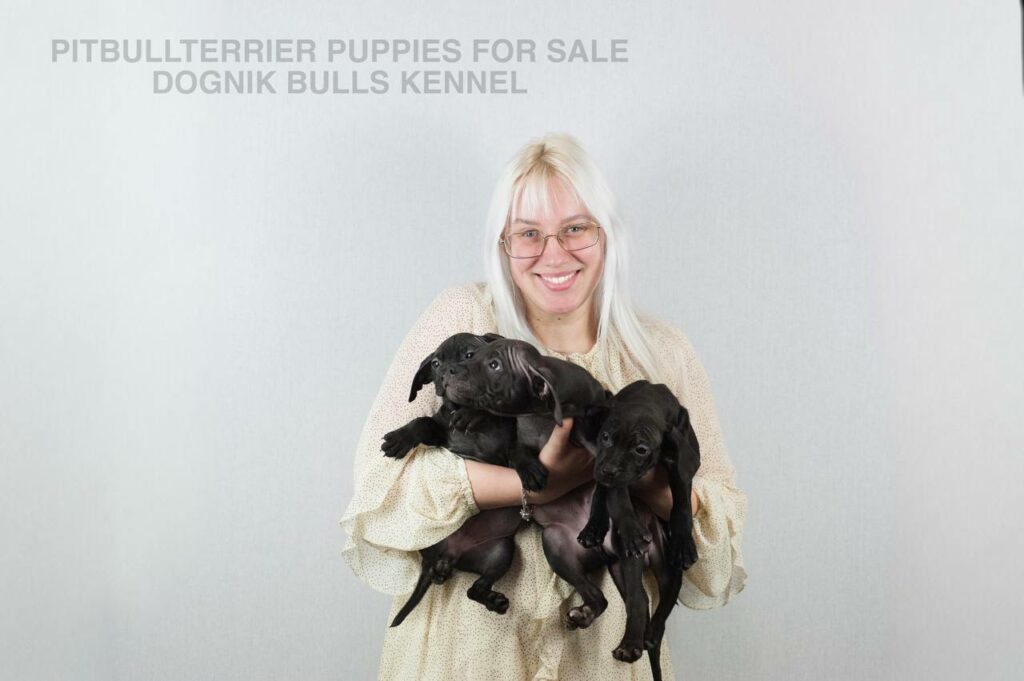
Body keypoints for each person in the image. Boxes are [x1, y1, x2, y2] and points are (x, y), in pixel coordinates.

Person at [340, 133, 747, 681]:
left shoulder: (660, 352)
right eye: (529, 234)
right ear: (503, 244)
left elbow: (716, 530)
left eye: (576, 228)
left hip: (601, 663)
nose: (554, 254)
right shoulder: (461, 321)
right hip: (466, 656)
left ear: (607, 235)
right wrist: (537, 486)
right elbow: (379, 485)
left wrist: (638, 471)